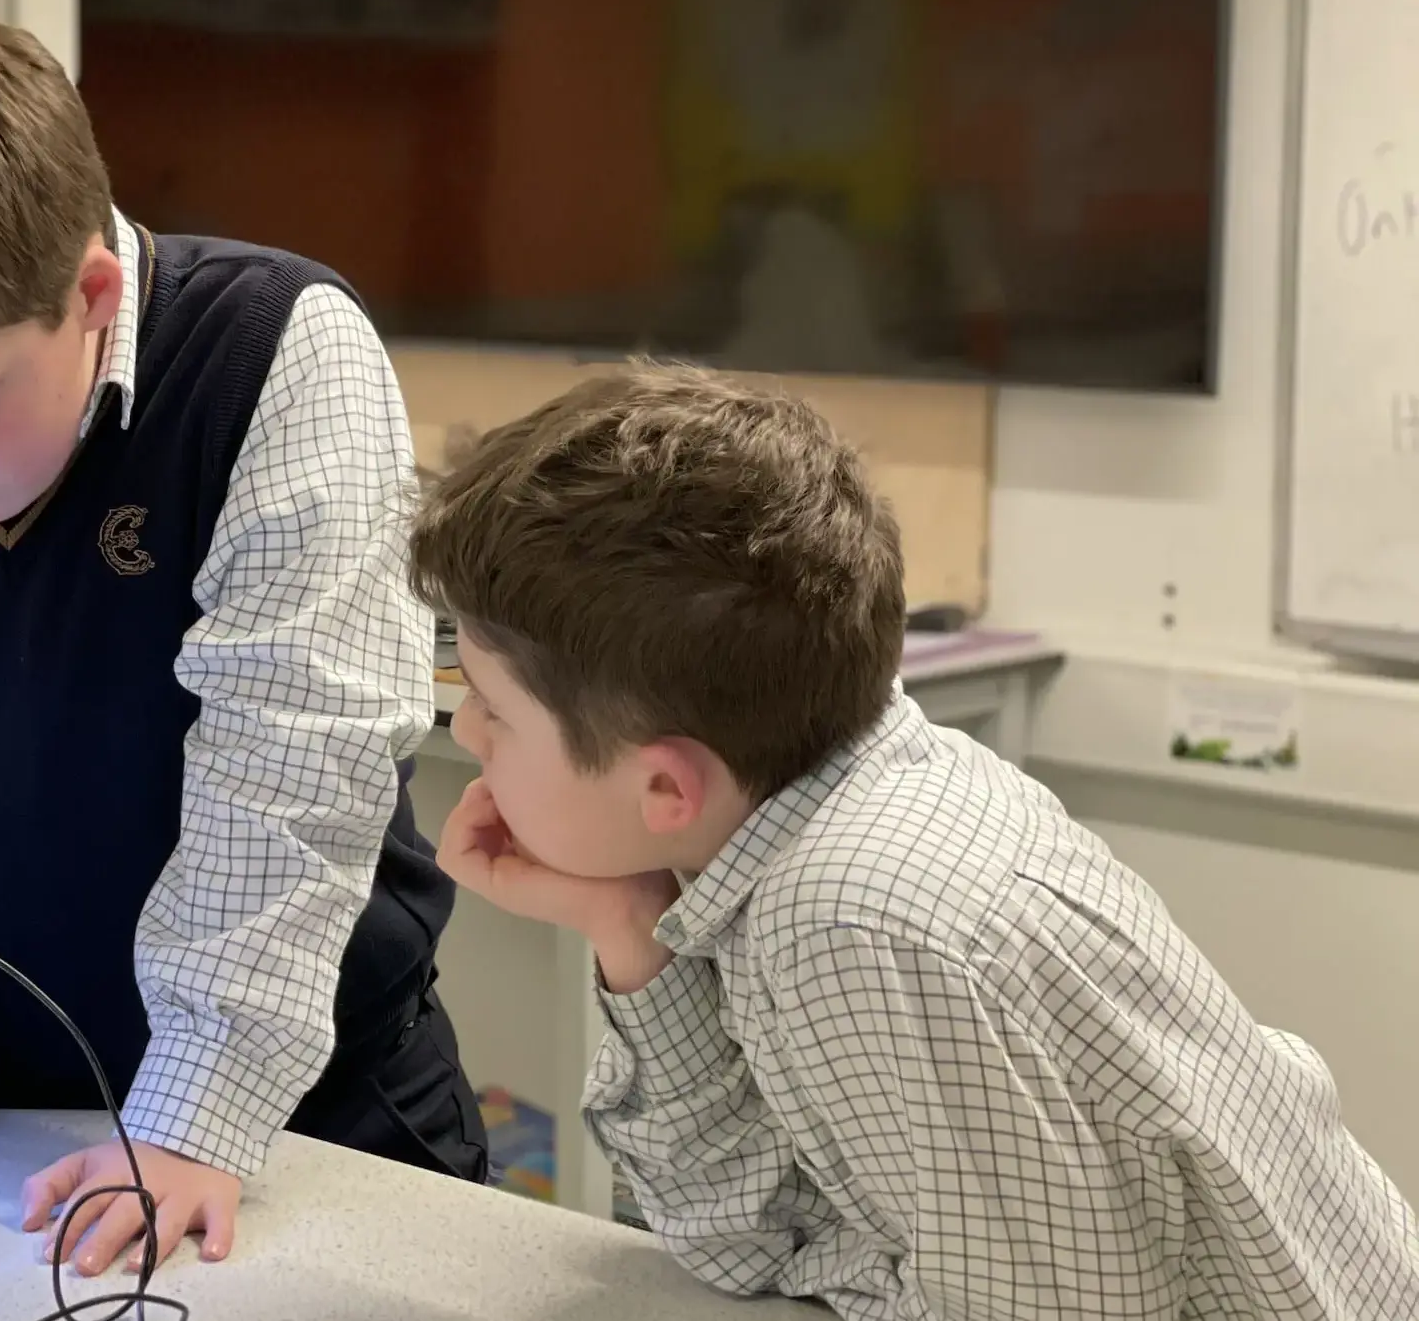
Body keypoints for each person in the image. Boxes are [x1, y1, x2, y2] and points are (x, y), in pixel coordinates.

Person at [0, 0, 482, 1275]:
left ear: (90, 293)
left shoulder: (270, 354)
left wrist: (189, 1117)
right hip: (25, 1105)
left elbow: (291, 781)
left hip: (301, 1107)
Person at [411, 363, 1419, 1319]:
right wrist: (625, 927)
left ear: (666, 785)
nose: (465, 734)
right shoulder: (843, 781)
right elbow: (742, 1238)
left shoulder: (853, 921)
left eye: (492, 708)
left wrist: (828, 1259)